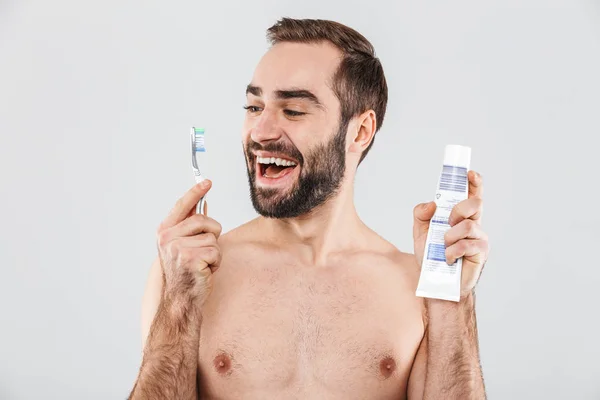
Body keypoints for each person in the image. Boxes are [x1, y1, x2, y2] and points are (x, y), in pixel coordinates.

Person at [128, 17, 490, 400]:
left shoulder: (415, 287)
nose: (261, 131)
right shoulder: (189, 273)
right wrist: (181, 303)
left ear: (360, 131)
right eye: (253, 107)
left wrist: (453, 300)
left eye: (294, 111)